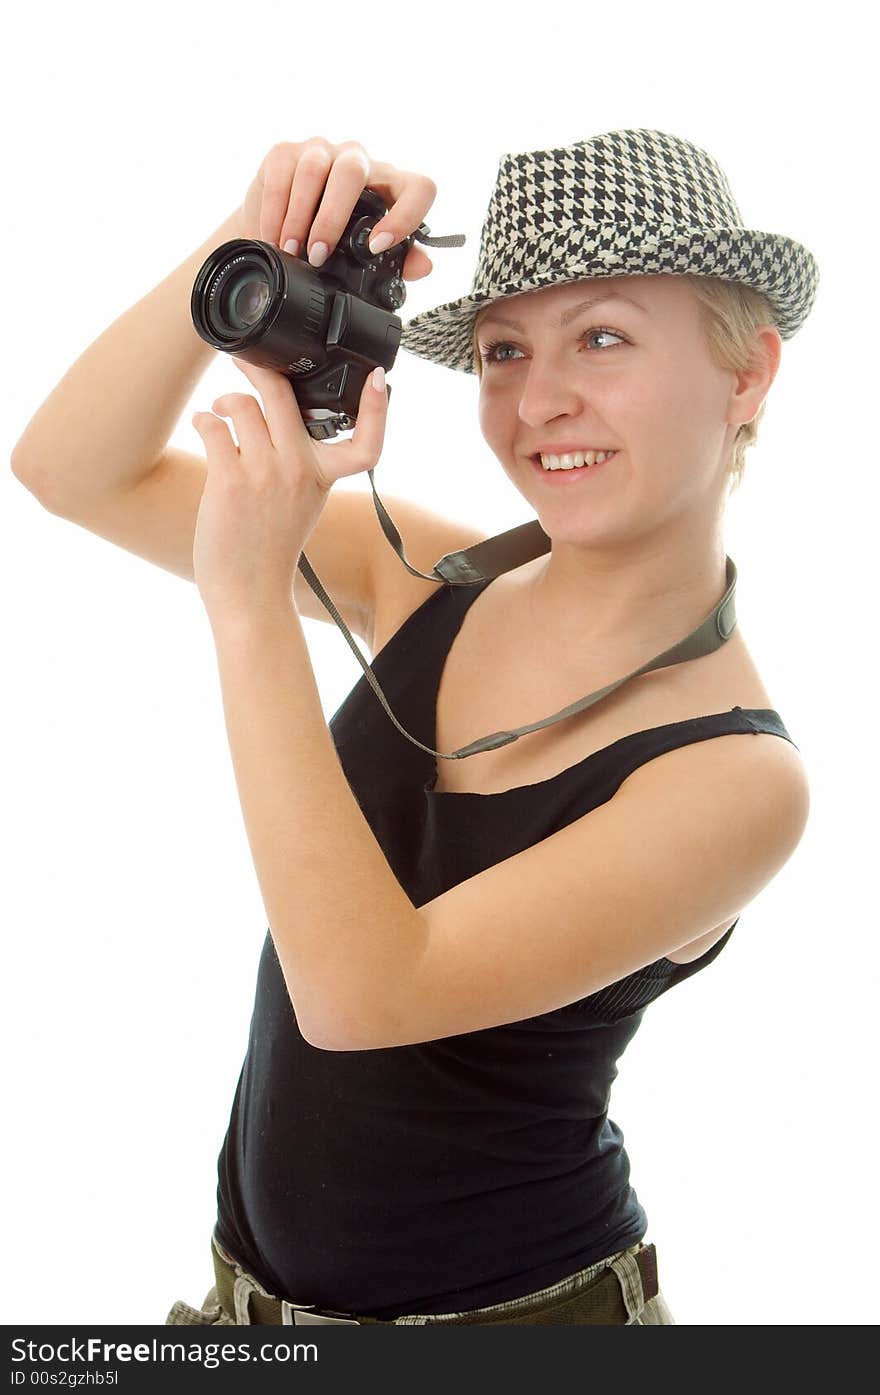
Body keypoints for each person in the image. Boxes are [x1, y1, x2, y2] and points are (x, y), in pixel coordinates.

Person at [12, 129, 818, 1326]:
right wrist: (249, 241)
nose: (541, 401)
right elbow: (71, 469)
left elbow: (363, 996)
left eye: (602, 337)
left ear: (744, 374)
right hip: (248, 1317)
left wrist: (250, 606)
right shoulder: (432, 584)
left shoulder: (736, 777)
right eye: (504, 350)